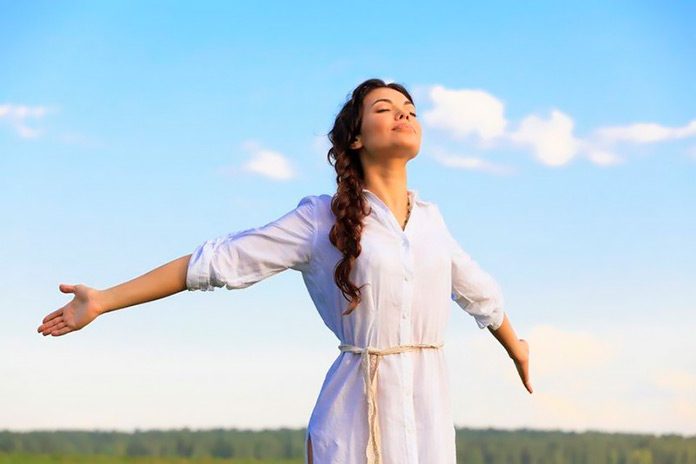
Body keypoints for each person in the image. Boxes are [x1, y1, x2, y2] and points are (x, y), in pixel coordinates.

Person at [37, 78, 532, 464]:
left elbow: (481, 295)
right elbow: (215, 263)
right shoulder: (319, 219)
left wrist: (517, 348)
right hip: (355, 418)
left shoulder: (430, 221)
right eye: (384, 108)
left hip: (427, 414)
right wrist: (103, 299)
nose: (403, 112)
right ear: (355, 139)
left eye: (410, 109)